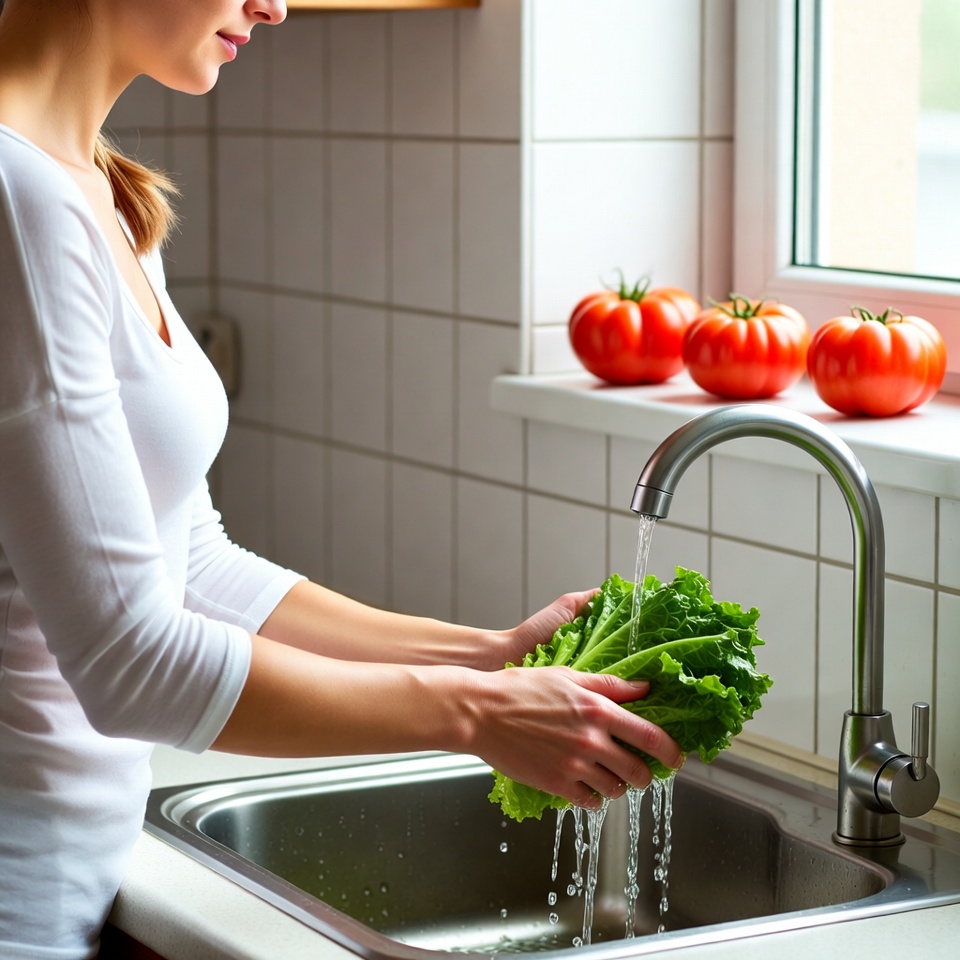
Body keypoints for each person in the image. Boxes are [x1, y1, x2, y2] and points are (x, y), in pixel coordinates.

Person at [0, 1, 683, 957]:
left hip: (66, 876)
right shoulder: (18, 197)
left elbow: (190, 561)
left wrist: (484, 658)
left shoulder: (100, 191)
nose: (274, 4)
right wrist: (475, 716)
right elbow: (131, 665)